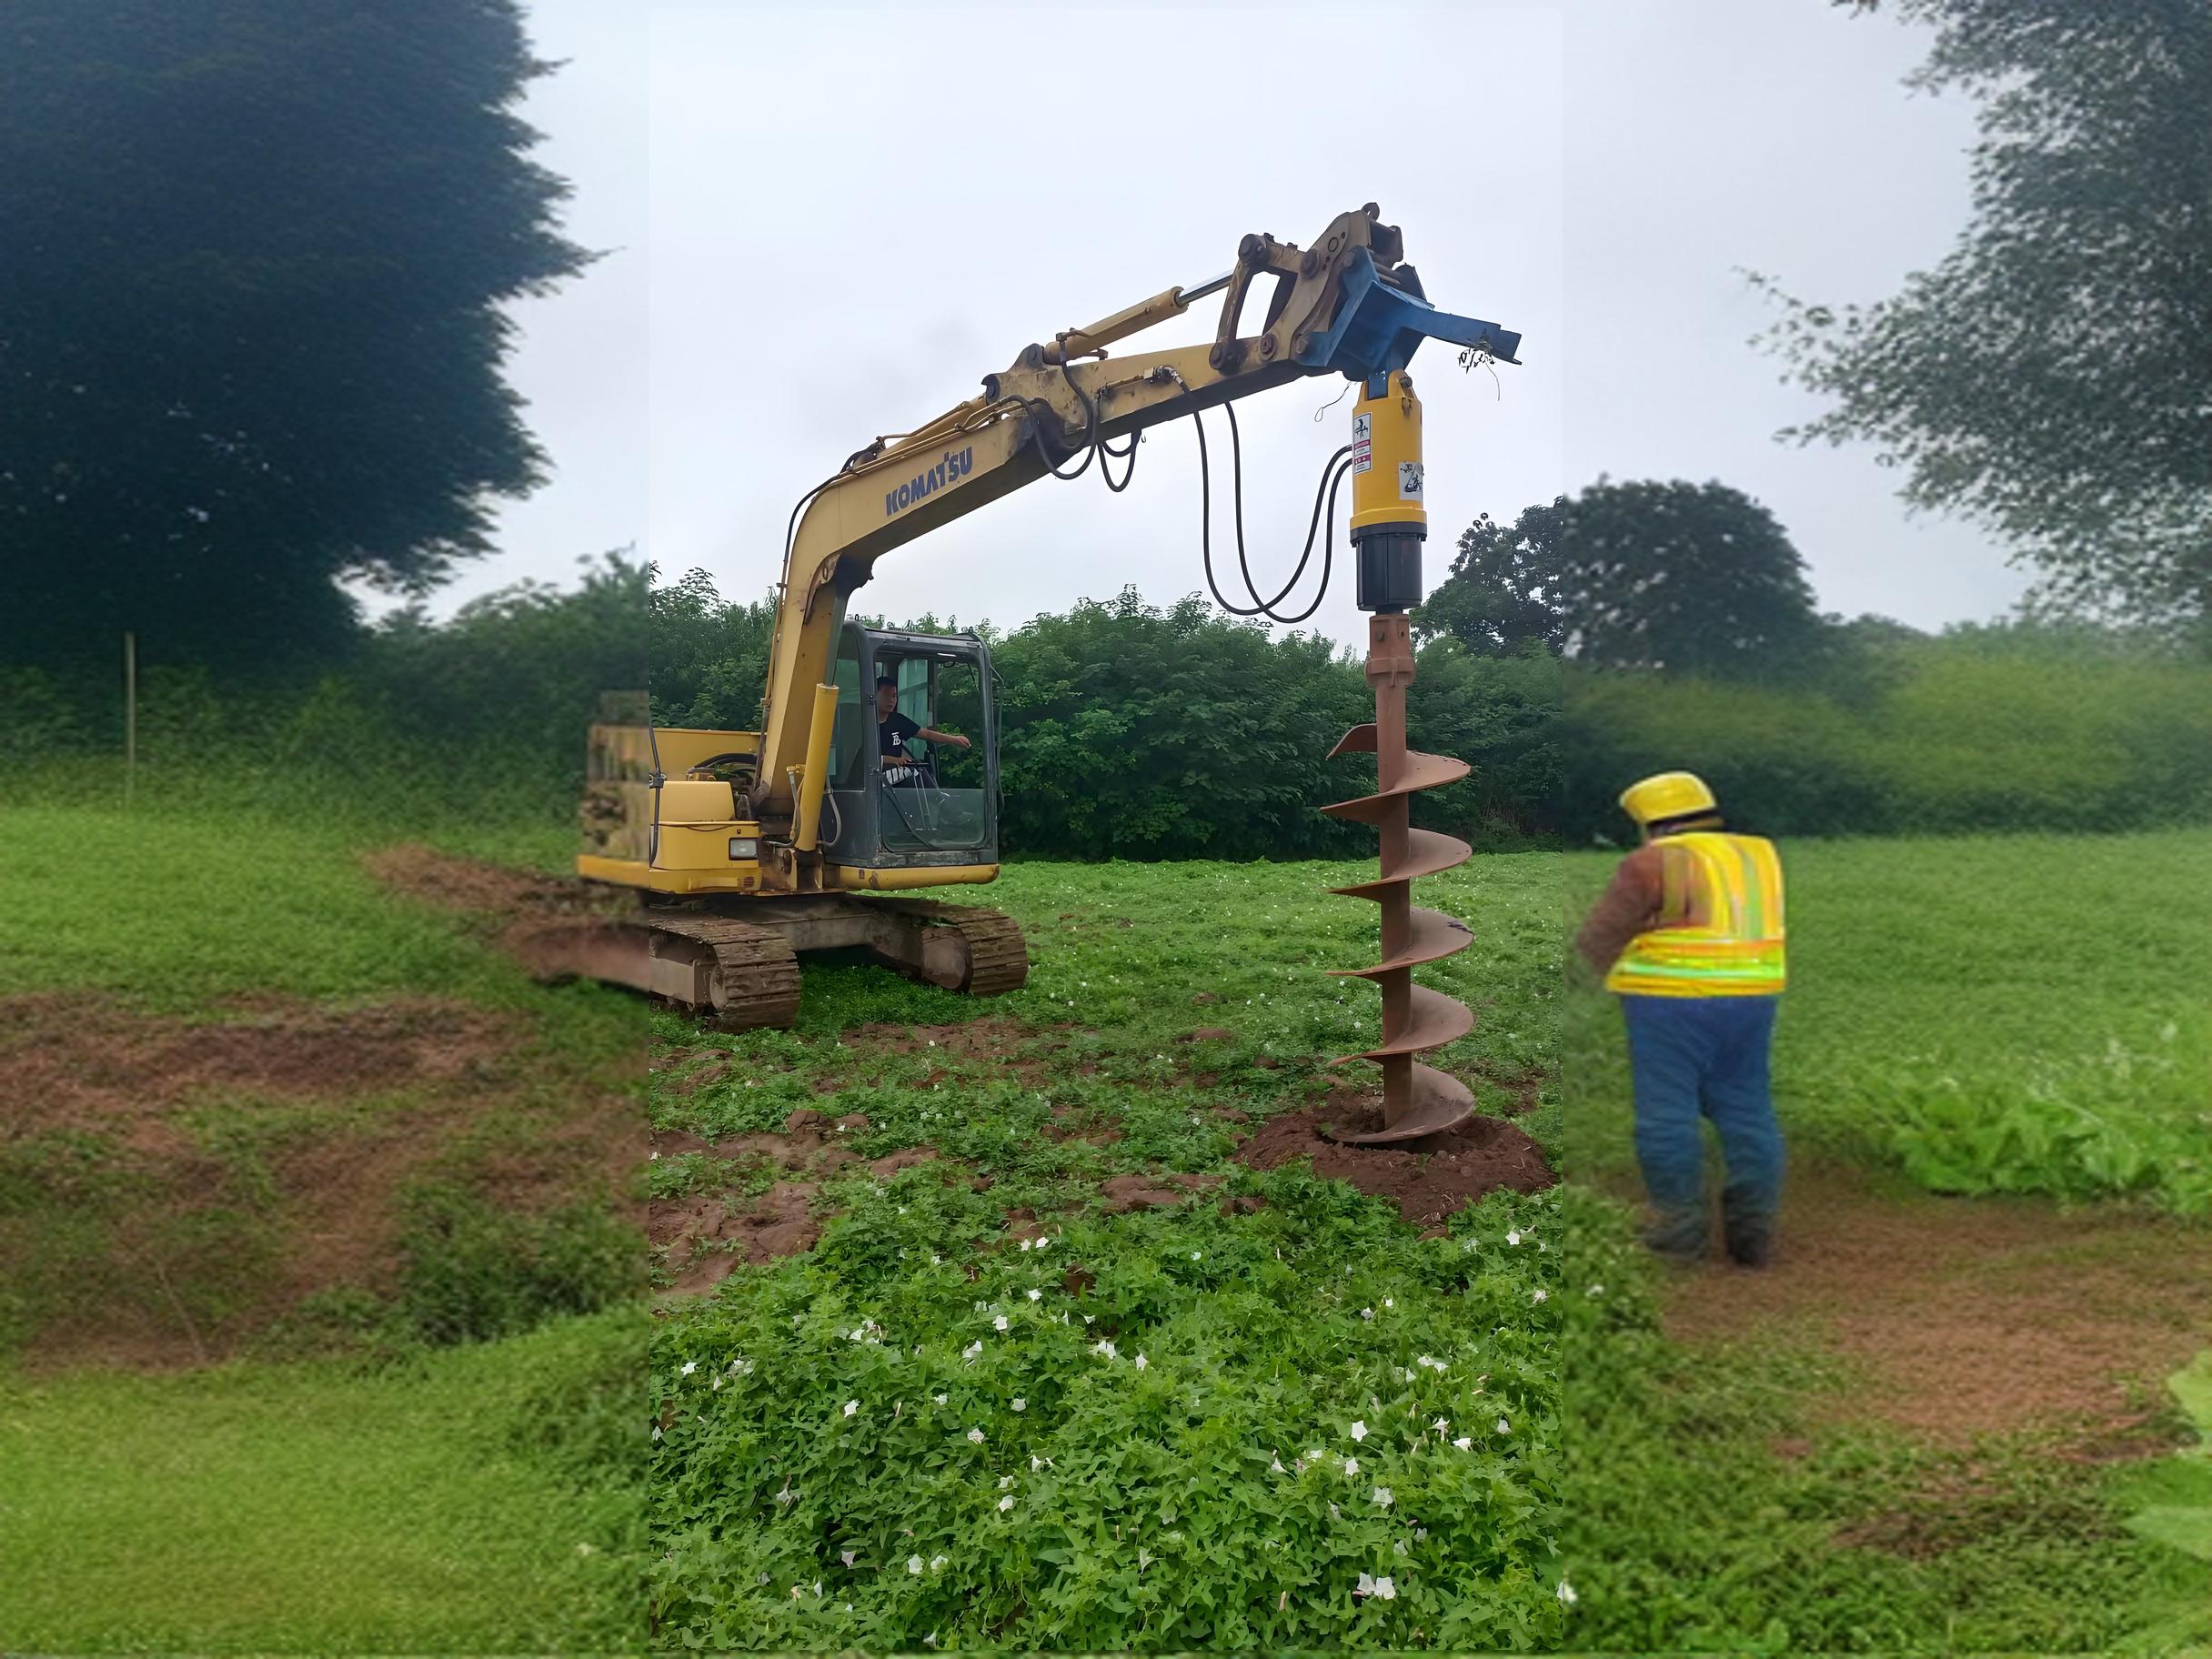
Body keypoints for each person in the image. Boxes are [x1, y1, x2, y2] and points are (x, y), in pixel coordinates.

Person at [1574, 771, 1787, 1267]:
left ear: (1654, 824)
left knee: (1666, 1113)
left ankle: (1681, 1232)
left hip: (1669, 1003)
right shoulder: (1759, 854)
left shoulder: (1655, 861)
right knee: (1747, 1109)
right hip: (1753, 997)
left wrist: (1605, 977)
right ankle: (1753, 1235)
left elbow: (1598, 937)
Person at [875, 673, 970, 786]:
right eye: (886, 694)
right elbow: (864, 759)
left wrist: (954, 740)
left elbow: (927, 734)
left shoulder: (897, 720)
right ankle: (937, 800)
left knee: (917, 767)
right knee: (913, 779)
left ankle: (937, 798)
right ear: (874, 695)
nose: (891, 700)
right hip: (876, 777)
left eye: (894, 695)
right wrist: (893, 760)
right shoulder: (864, 725)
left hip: (895, 773)